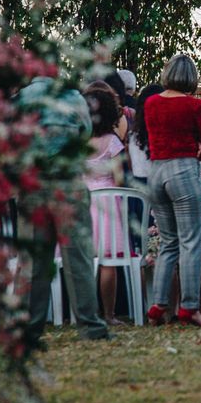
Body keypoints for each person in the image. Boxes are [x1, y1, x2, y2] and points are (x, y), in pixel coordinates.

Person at [14, 77, 110, 345]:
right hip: (69, 186)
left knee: (33, 262)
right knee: (77, 259)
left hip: (33, 186)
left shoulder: (23, 97)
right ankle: (91, 327)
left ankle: (28, 330)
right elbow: (85, 134)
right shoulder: (74, 97)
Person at [144, 54, 201, 327]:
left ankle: (158, 305)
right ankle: (189, 307)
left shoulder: (150, 103)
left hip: (156, 172)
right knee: (190, 242)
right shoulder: (195, 105)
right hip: (183, 172)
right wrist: (197, 149)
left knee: (168, 242)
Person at [82, 86, 126, 325]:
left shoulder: (78, 142)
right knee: (108, 260)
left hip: (82, 202)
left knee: (83, 261)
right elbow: (119, 179)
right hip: (107, 204)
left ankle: (86, 314)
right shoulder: (112, 142)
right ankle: (109, 315)